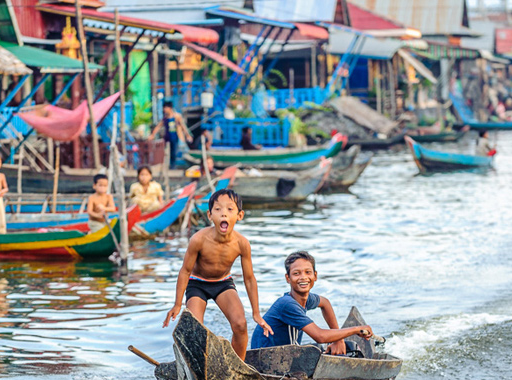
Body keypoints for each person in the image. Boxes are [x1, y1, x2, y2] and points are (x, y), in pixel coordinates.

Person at [163, 189, 273, 361]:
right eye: (218, 209)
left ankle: (238, 366)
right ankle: (195, 366)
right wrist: (177, 304)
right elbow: (185, 271)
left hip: (223, 283)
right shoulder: (198, 239)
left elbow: (249, 279)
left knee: (240, 325)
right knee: (194, 329)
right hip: (197, 284)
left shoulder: (242, 244)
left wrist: (256, 312)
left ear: (240, 215)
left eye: (230, 209)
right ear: (210, 215)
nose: (224, 214)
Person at [250, 251, 373, 353]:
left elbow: (325, 303)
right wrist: (357, 329)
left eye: (307, 272)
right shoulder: (287, 304)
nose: (303, 277)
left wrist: (338, 340)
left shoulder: (306, 299)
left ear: (315, 276)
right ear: (288, 278)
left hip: (285, 356)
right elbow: (320, 336)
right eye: (296, 273)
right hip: (265, 360)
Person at [147, 101, 191, 168]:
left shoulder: (177, 116)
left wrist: (187, 135)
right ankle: (167, 166)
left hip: (175, 137)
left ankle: (174, 166)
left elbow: (183, 126)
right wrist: (153, 134)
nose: (165, 109)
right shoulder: (165, 118)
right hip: (167, 137)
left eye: (166, 108)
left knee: (174, 152)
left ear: (170, 108)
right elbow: (158, 126)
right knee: (166, 153)